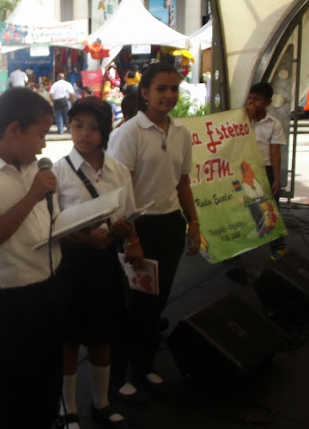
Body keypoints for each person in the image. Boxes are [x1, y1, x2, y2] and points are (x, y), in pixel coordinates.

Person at [0, 88, 62, 429]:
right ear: (15, 129)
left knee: (48, 384)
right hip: (11, 301)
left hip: (49, 289)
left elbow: (52, 221)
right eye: (40, 135)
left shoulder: (36, 168)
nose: (43, 145)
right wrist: (33, 195)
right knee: (12, 390)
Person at [108, 61, 201, 400]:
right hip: (138, 228)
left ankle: (145, 366)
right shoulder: (127, 135)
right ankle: (117, 377)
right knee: (133, 305)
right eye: (161, 89)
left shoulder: (181, 133)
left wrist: (193, 222)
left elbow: (183, 183)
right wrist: (131, 238)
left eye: (174, 89)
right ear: (144, 93)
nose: (168, 95)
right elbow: (120, 192)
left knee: (156, 303)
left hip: (170, 226)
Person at [53, 97, 141, 429]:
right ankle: (69, 408)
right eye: (78, 126)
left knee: (102, 336)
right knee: (69, 339)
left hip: (105, 261)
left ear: (105, 131)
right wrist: (82, 235)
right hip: (69, 264)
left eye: (93, 127)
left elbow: (129, 214)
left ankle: (101, 402)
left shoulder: (118, 170)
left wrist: (126, 233)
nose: (84, 134)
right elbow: (51, 223)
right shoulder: (58, 171)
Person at [246, 81, 288, 260]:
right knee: (242, 207)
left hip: (266, 169)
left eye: (257, 99)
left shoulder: (274, 124)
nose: (252, 102)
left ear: (268, 102)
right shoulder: (241, 119)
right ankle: (235, 247)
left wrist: (277, 179)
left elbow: (275, 152)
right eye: (250, 98)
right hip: (246, 170)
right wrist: (247, 118)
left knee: (271, 207)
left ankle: (277, 246)